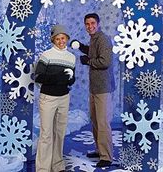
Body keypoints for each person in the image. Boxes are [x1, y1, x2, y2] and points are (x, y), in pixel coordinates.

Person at [71, 13, 115, 168]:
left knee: (103, 123)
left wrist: (88, 61)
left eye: (92, 23)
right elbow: (93, 51)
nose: (90, 26)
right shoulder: (94, 38)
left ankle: (107, 157)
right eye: (87, 24)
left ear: (98, 23)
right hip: (94, 87)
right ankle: (99, 149)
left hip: (103, 88)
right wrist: (82, 47)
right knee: (95, 121)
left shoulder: (103, 39)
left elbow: (105, 61)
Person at [35, 24, 76, 172]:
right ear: (53, 40)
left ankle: (57, 164)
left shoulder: (71, 58)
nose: (61, 41)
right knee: (46, 134)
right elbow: (38, 76)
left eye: (63, 38)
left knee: (60, 132)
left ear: (67, 39)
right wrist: (58, 76)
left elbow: (71, 79)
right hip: (48, 98)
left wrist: (71, 79)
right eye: (57, 38)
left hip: (64, 98)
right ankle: (43, 168)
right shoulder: (46, 55)